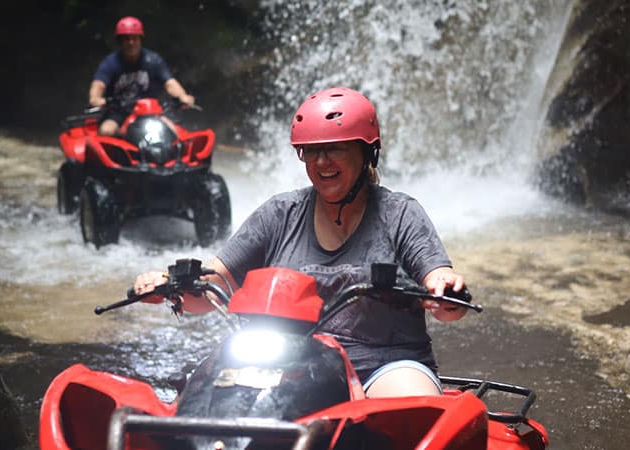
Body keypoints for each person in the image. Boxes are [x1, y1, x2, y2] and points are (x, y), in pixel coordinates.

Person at [133, 87, 467, 398]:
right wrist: (169, 286)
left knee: (414, 412)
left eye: (334, 148)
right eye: (312, 151)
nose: (322, 162)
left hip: (382, 365)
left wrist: (445, 290)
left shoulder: (399, 214)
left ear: (367, 153)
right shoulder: (280, 214)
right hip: (288, 361)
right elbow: (213, 285)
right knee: (207, 401)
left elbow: (438, 280)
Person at [88, 16, 196, 136]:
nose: (131, 43)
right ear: (120, 41)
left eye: (135, 38)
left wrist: (183, 96)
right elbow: (99, 84)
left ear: (140, 39)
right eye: (126, 39)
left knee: (174, 133)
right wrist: (96, 98)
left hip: (149, 111)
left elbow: (169, 82)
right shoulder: (110, 63)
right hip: (119, 111)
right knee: (106, 131)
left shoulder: (153, 60)